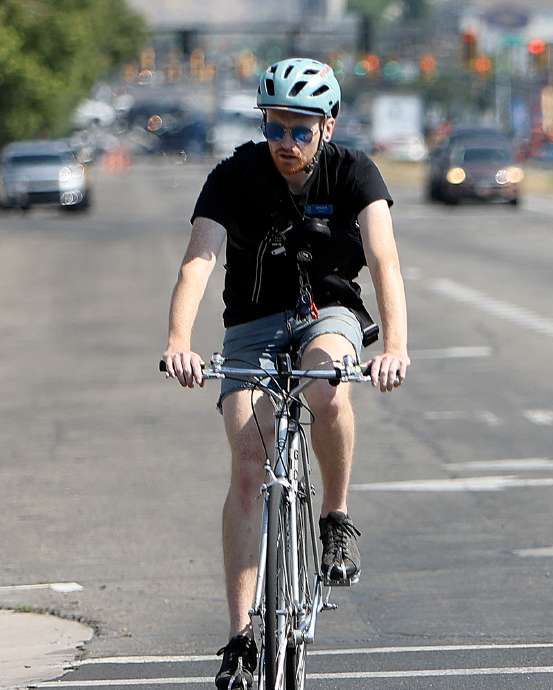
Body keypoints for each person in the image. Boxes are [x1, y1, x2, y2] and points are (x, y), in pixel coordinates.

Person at [160, 57, 410, 689]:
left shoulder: (356, 172)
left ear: (328, 126)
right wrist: (179, 341)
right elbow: (199, 261)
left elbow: (383, 260)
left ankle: (336, 517)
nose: (287, 145)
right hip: (251, 323)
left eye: (301, 130)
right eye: (276, 128)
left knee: (327, 384)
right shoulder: (234, 174)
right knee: (248, 462)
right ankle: (242, 636)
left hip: (328, 311)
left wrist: (395, 346)